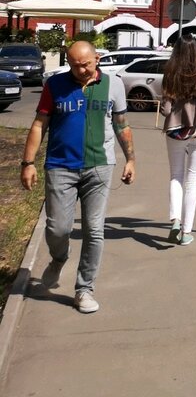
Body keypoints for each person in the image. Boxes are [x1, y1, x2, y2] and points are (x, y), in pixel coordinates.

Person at [20, 40, 136, 314]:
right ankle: (59, 258)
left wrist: (130, 159)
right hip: (60, 166)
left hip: (99, 167)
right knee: (58, 228)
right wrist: (28, 163)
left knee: (94, 230)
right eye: (75, 65)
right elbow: (39, 124)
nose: (81, 70)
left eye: (85, 64)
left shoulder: (114, 85)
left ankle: (84, 289)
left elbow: (121, 124)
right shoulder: (55, 85)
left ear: (97, 59)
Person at [160, 39, 196, 246]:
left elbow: (166, 110)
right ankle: (186, 232)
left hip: (176, 131)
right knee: (192, 180)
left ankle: (175, 220)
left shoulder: (170, 75)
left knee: (176, 176)